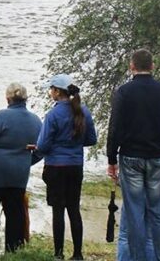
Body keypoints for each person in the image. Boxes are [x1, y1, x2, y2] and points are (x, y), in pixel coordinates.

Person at [106, 49, 160, 261]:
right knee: (159, 211)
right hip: (156, 156)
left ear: (132, 66)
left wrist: (111, 159)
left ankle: (137, 257)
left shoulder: (124, 92)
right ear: (152, 66)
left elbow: (115, 128)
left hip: (130, 158)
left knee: (135, 211)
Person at [0, 82, 42, 256]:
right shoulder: (36, 121)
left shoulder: (0, 117)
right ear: (25, 99)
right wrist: (27, 161)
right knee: (15, 216)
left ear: (7, 98)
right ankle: (13, 253)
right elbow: (42, 149)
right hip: (18, 176)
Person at [36, 78, 97, 260]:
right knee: (73, 209)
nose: (50, 93)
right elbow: (91, 139)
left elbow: (43, 145)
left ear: (57, 91)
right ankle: (78, 254)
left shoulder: (53, 115)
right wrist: (74, 143)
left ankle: (58, 254)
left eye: (51, 89)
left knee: (58, 211)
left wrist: (38, 148)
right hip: (75, 166)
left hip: (55, 166)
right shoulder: (83, 111)